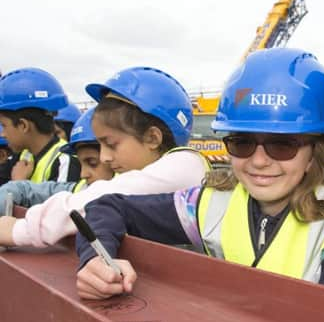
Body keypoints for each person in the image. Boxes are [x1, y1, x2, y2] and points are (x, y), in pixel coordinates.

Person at [74, 48, 324, 300]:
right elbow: (107, 206)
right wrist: (95, 260)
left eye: (282, 145)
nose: (258, 161)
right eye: (241, 143)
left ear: (315, 150)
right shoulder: (209, 203)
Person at [0, 66, 208, 248]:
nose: (105, 157)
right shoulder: (136, 175)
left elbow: (97, 198)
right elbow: (76, 191)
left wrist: (20, 230)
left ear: (152, 138)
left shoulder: (185, 166)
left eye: (111, 144)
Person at [0, 108, 114, 216]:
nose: (82, 174)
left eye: (92, 163)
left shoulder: (64, 160)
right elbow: (25, 190)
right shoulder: (82, 189)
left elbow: (57, 216)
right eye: (82, 164)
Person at [0, 67, 81, 183]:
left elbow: (61, 201)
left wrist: (18, 183)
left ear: (23, 125)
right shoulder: (23, 155)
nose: (2, 134)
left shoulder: (64, 161)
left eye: (4, 125)